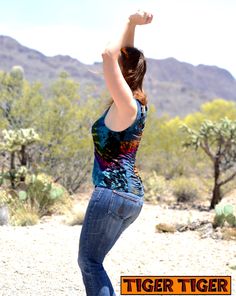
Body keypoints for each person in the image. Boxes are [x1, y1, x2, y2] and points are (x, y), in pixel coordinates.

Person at [78, 10, 153, 296]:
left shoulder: (127, 106)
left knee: (90, 262)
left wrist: (126, 18)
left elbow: (109, 54)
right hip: (132, 197)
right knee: (95, 262)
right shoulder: (136, 104)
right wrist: (133, 26)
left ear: (123, 72)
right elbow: (122, 54)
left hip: (111, 192)